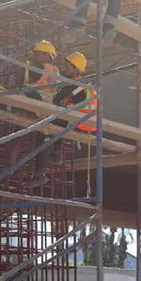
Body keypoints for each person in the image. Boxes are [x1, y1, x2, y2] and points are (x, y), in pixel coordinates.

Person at [26, 51, 96, 188]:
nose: (63, 68)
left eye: (67, 67)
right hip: (84, 123)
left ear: (75, 69)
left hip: (80, 124)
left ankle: (40, 173)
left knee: (44, 129)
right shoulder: (82, 85)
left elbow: (56, 101)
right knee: (55, 119)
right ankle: (56, 153)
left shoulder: (73, 85)